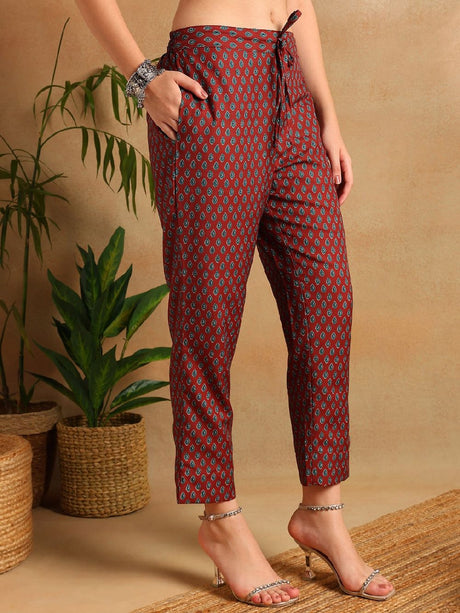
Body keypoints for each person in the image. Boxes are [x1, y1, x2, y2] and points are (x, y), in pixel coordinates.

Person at [75, 0, 395, 607]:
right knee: (208, 319)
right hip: (213, 78)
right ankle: (220, 519)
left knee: (327, 306)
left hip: (291, 85)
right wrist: (143, 78)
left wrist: (327, 115)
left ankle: (322, 510)